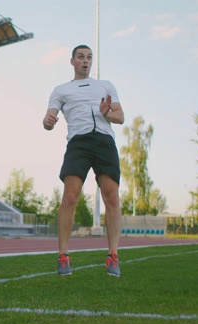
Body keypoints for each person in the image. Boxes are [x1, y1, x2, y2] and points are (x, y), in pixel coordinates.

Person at [43, 44, 125, 277]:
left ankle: (113, 255)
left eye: (89, 57)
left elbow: (120, 116)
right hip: (78, 142)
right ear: (72, 61)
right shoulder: (60, 90)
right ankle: (63, 255)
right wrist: (48, 122)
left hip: (104, 141)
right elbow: (48, 120)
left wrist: (106, 113)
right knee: (70, 197)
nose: (85, 61)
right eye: (81, 57)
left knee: (111, 196)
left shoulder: (106, 86)